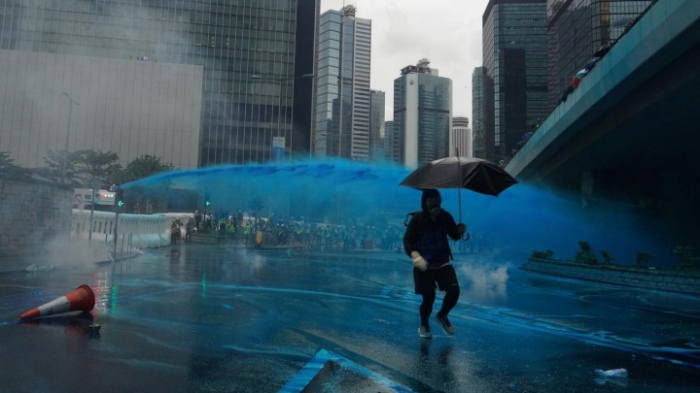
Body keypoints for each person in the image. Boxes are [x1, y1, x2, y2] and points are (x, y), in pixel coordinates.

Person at [403, 189, 466, 339]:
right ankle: (424, 324)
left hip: (443, 262)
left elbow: (454, 235)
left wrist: (460, 231)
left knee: (454, 291)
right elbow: (407, 240)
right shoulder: (418, 219)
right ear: (425, 202)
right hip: (424, 264)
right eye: (432, 200)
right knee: (428, 298)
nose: (435, 203)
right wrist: (414, 255)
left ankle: (442, 315)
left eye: (437, 199)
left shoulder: (445, 216)